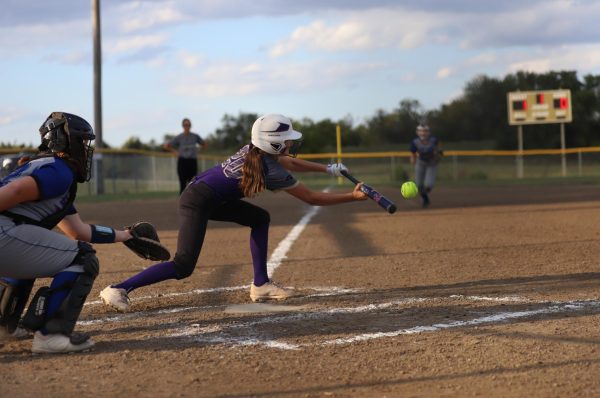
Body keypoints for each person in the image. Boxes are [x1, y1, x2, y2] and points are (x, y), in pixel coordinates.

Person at [99, 114, 367, 312]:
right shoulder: (270, 169)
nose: (289, 144)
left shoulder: (258, 151)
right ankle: (118, 289)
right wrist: (353, 197)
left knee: (259, 218)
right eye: (285, 140)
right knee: (183, 265)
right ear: (272, 144)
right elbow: (312, 198)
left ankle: (260, 285)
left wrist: (327, 169)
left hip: (208, 194)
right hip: (198, 200)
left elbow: (289, 161)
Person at [0, 112, 135, 353]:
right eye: (83, 142)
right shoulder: (58, 171)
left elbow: (78, 231)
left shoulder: (49, 169)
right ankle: (52, 335)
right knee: (82, 259)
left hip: (6, 235)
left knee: (34, 246)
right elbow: (16, 191)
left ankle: (3, 326)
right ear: (64, 141)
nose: (86, 149)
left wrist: (124, 235)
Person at [164, 118, 207, 193]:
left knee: (192, 183)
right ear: (183, 126)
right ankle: (182, 202)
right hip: (182, 161)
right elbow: (167, 146)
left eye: (189, 125)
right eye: (185, 125)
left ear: (190, 126)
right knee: (182, 184)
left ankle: (192, 202)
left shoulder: (195, 136)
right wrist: (176, 152)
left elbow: (204, 144)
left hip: (192, 161)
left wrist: (198, 150)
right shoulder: (179, 137)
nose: (187, 126)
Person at [410, 125, 442, 208]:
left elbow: (440, 151)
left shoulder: (434, 140)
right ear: (417, 132)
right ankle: (425, 199)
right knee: (419, 185)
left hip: (431, 163)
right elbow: (413, 154)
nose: (423, 133)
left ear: (428, 132)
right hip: (420, 163)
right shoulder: (415, 142)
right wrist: (413, 161)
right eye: (421, 131)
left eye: (425, 131)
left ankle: (426, 193)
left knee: (428, 185)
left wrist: (437, 157)